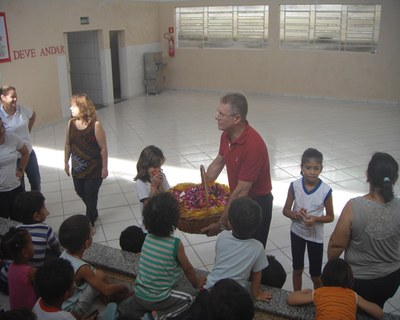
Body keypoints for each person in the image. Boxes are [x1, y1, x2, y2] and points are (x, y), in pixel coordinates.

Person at [328, 152, 400, 308]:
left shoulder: (354, 207)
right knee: (376, 307)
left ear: (368, 175)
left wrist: (332, 271)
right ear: (395, 179)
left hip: (358, 281)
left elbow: (336, 245)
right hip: (392, 279)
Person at [118, 192, 206, 319]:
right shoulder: (175, 244)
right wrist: (197, 284)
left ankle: (133, 307)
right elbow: (188, 269)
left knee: (143, 300)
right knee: (192, 297)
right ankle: (160, 315)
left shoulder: (147, 238)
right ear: (174, 220)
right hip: (160, 298)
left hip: (140, 293)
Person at [201, 93, 273, 248]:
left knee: (252, 250)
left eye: (222, 114)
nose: (216, 117)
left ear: (237, 118)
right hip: (239, 198)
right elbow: (218, 163)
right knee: (237, 248)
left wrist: (221, 224)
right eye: (217, 112)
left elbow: (241, 191)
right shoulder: (226, 135)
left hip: (255, 205)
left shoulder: (253, 146)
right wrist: (202, 188)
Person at [59, 214, 129, 319]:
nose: (93, 233)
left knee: (98, 275)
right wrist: (121, 287)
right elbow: (105, 289)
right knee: (98, 280)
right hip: (73, 310)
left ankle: (110, 298)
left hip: (64, 302)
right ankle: (115, 299)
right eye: (91, 232)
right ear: (87, 243)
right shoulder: (83, 268)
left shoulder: (64, 254)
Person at [282, 148, 334, 291]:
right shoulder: (295, 186)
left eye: (316, 168)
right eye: (308, 168)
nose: (312, 172)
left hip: (315, 237)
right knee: (297, 269)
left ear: (321, 169)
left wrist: (316, 219)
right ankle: (297, 295)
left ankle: (320, 301)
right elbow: (285, 210)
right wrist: (295, 215)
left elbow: (330, 216)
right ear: (302, 168)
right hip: (297, 233)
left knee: (316, 275)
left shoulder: (325, 191)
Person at [204, 197, 272, 302]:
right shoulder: (258, 247)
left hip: (210, 287)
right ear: (256, 226)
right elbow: (257, 274)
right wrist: (257, 294)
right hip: (235, 294)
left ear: (230, 223)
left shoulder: (223, 236)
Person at [0, 191, 60, 295]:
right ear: (36, 215)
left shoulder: (17, 229)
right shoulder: (45, 229)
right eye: (44, 207)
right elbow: (55, 246)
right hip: (26, 282)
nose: (46, 210)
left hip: (4, 278)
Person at [287, 258, 383, 320]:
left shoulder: (320, 292)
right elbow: (379, 313)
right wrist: (359, 302)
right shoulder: (352, 295)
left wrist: (305, 291)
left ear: (324, 277)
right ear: (349, 278)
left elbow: (291, 299)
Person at [64, 93, 108, 227]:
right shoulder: (70, 124)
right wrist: (66, 162)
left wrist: (104, 167)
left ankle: (90, 223)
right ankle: (93, 210)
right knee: (79, 191)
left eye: (73, 106)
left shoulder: (95, 125)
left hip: (94, 170)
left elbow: (103, 148)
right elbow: (67, 144)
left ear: (82, 107)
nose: (71, 109)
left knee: (90, 196)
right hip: (78, 169)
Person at [33, 258, 103, 320]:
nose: (74, 284)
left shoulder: (39, 302)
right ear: (66, 294)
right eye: (73, 282)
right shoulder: (67, 317)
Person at [0, 85, 41, 192]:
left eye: (16, 96)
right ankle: (23, 208)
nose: (15, 99)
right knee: (19, 184)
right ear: (3, 98)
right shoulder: (1, 115)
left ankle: (39, 206)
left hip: (28, 152)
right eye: (12, 97)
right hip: (14, 157)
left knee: (35, 181)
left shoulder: (21, 109)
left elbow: (33, 115)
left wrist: (28, 130)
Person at [134, 145, 170, 231]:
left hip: (163, 218)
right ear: (145, 166)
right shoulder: (141, 183)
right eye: (155, 167)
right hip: (149, 222)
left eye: (160, 166)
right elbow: (148, 206)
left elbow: (168, 195)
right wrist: (153, 186)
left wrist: (160, 184)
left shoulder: (162, 176)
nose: (158, 170)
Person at [0, 227, 37, 310]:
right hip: (30, 312)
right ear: (24, 252)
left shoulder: (11, 267)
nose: (33, 245)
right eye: (31, 243)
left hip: (16, 311)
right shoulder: (31, 272)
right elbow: (43, 290)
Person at [0, 117, 29, 220]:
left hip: (15, 188)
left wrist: (21, 169)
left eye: (2, 126)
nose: (2, 131)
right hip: (1, 193)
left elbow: (25, 153)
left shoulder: (13, 138)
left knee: (18, 220)